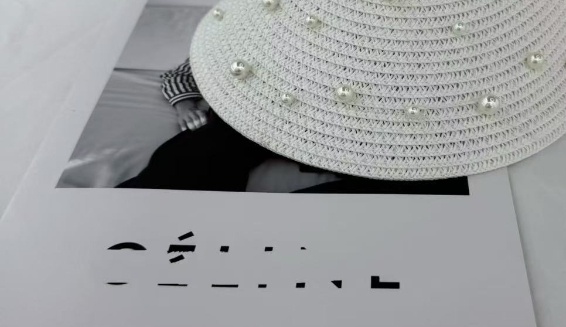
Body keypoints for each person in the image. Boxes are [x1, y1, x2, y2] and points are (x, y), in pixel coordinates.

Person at [117, 58, 468, 195]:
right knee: (188, 163)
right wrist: (186, 104)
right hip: (263, 113)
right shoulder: (256, 22)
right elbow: (186, 70)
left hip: (357, 126)